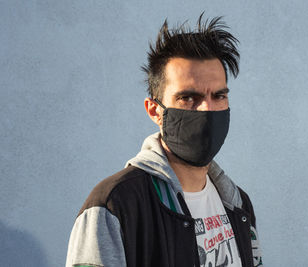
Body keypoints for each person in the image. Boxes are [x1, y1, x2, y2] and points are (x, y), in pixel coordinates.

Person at [66, 14, 263, 267]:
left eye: (219, 95)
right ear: (154, 111)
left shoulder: (238, 204)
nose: (207, 110)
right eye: (188, 97)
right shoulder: (115, 206)